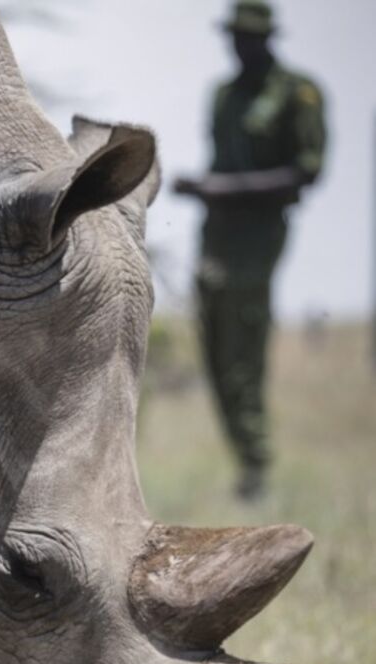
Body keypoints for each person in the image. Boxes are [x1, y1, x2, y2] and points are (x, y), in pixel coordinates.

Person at [174, 0, 326, 501]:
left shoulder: (297, 93)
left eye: (247, 36)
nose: (238, 45)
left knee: (242, 352)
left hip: (257, 241)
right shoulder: (222, 94)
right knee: (215, 350)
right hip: (213, 236)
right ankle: (245, 462)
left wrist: (221, 190)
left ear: (267, 37)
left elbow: (305, 173)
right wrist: (204, 191)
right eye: (233, 35)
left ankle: (256, 465)